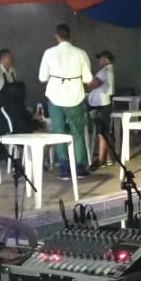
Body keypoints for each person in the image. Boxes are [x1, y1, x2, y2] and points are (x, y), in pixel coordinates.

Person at [38, 23, 93, 179]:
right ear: (71, 35)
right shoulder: (80, 53)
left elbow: (42, 78)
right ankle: (80, 167)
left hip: (55, 96)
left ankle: (64, 169)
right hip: (75, 95)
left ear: (57, 36)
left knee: (58, 132)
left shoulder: (49, 52)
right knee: (77, 133)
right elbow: (88, 78)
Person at [0, 48, 31, 135]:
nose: (13, 59)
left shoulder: (13, 71)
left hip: (13, 108)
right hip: (1, 109)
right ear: (2, 59)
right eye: (10, 57)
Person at [87, 51, 116, 170]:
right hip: (103, 104)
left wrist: (86, 80)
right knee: (103, 132)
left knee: (102, 132)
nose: (99, 60)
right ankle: (108, 157)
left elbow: (94, 84)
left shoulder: (104, 71)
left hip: (102, 105)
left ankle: (101, 159)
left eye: (100, 58)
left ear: (106, 59)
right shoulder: (108, 70)